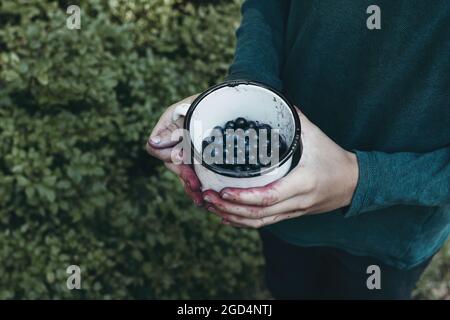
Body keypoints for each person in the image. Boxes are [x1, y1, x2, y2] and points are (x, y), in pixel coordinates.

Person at [146, 0, 450, 299]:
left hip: (390, 232)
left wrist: (360, 179)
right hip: (282, 202)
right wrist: (251, 86)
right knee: (288, 284)